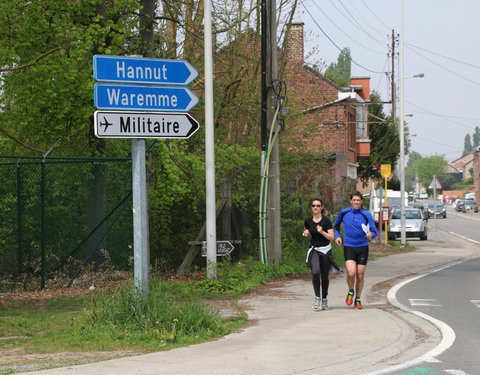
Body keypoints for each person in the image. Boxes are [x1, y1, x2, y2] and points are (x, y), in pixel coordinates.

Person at [334, 191, 377, 310]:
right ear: (351, 201)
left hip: (362, 247)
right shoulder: (344, 212)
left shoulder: (366, 214)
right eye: (354, 200)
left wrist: (370, 235)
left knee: (360, 275)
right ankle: (351, 291)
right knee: (351, 273)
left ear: (361, 201)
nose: (356, 202)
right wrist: (337, 236)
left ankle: (358, 298)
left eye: (358, 200)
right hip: (349, 246)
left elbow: (375, 231)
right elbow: (336, 225)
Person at [303, 198, 335, 311]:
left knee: (325, 276)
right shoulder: (308, 221)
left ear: (321, 207)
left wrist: (322, 232)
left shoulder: (326, 221)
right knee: (315, 272)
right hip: (314, 250)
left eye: (318, 205)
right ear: (311, 207)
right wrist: (305, 233)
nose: (315, 207)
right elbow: (306, 231)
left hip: (326, 250)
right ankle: (317, 297)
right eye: (313, 205)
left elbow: (332, 237)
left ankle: (324, 298)